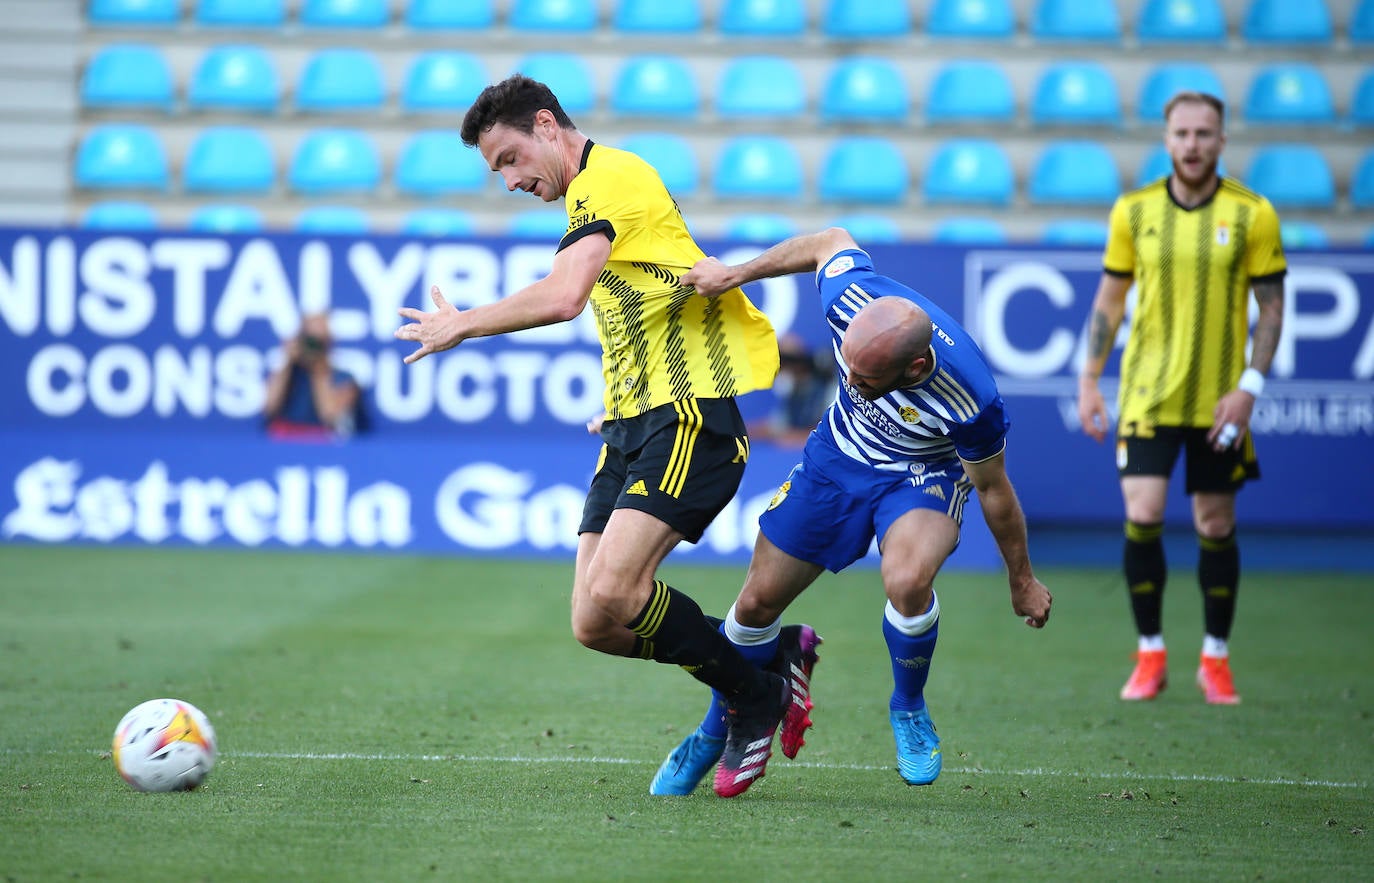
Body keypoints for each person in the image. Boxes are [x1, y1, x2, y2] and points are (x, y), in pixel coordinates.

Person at [393, 74, 818, 797]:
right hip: (634, 423)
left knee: (620, 588)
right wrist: (620, 402)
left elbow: (565, 297)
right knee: (595, 620)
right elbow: (640, 306)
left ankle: (754, 695)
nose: (509, 181)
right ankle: (768, 655)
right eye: (497, 170)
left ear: (546, 126)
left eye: (509, 159)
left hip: (690, 419)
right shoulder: (591, 197)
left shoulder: (611, 179)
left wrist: (462, 324)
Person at [652, 227, 1053, 795]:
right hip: (837, 458)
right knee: (754, 606)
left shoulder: (971, 399)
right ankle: (717, 727)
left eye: (867, 381)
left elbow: (993, 489)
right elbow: (829, 240)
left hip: (921, 476)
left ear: (914, 368)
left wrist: (1022, 579)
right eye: (849, 370)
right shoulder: (849, 297)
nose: (853, 383)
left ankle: (908, 707)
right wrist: (736, 273)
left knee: (907, 581)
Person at [1076, 91, 1286, 705]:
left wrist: (1249, 388)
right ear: (1167, 140)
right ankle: (1150, 655)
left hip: (1220, 403)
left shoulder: (1253, 214)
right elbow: (1110, 300)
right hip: (1147, 396)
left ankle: (1215, 658)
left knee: (1215, 523)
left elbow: (1272, 308)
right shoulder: (1134, 211)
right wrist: (1089, 378)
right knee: (1142, 515)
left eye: (1204, 133)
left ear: (1222, 140)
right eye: (1182, 133)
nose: (1192, 144)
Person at [263, 312, 362, 440]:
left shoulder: (344, 378)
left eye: (320, 342)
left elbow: (329, 415)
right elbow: (269, 408)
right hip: (284, 439)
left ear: (329, 342)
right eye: (309, 340)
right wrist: (287, 361)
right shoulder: (289, 375)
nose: (313, 347)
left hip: (321, 442)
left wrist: (319, 371)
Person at [748, 333, 834, 448]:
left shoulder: (827, 387)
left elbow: (830, 432)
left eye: (784, 364)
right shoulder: (792, 391)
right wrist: (742, 432)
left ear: (799, 364)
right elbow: (777, 426)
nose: (781, 370)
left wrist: (795, 438)